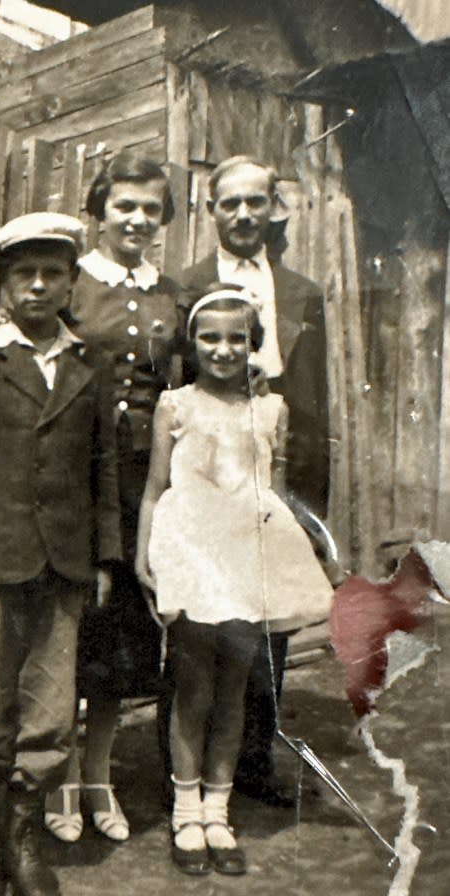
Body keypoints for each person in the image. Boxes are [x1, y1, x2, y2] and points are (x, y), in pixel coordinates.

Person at [0, 213, 122, 896]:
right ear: (2, 282)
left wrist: (103, 559)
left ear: (72, 282)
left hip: (62, 563)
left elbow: (105, 469)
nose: (38, 287)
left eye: (53, 274)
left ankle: (22, 831)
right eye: (23, 275)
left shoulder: (88, 361)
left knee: (49, 709)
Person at [136, 287, 333, 877]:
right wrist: (147, 559)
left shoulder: (270, 410)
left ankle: (218, 811)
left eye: (236, 339)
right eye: (209, 338)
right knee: (192, 687)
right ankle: (186, 811)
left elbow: (272, 492)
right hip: (193, 556)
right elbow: (153, 490)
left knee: (234, 691)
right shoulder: (175, 405)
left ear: (255, 346)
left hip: (248, 557)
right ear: (191, 344)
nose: (223, 350)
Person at [178, 156, 330, 807]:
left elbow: (316, 410)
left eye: (255, 203)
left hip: (275, 484)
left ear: (274, 209)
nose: (242, 215)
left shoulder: (301, 294)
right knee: (198, 630)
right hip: (205, 482)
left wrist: (311, 511)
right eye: (228, 203)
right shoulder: (181, 286)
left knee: (268, 633)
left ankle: (252, 761)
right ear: (209, 210)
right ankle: (183, 767)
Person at [43, 151, 179, 844]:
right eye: (124, 205)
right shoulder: (71, 283)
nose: (137, 219)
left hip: (139, 484)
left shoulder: (169, 294)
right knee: (69, 625)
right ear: (100, 209)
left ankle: (98, 776)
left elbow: (176, 391)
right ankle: (57, 777)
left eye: (150, 209)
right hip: (71, 475)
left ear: (163, 219)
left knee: (121, 636)